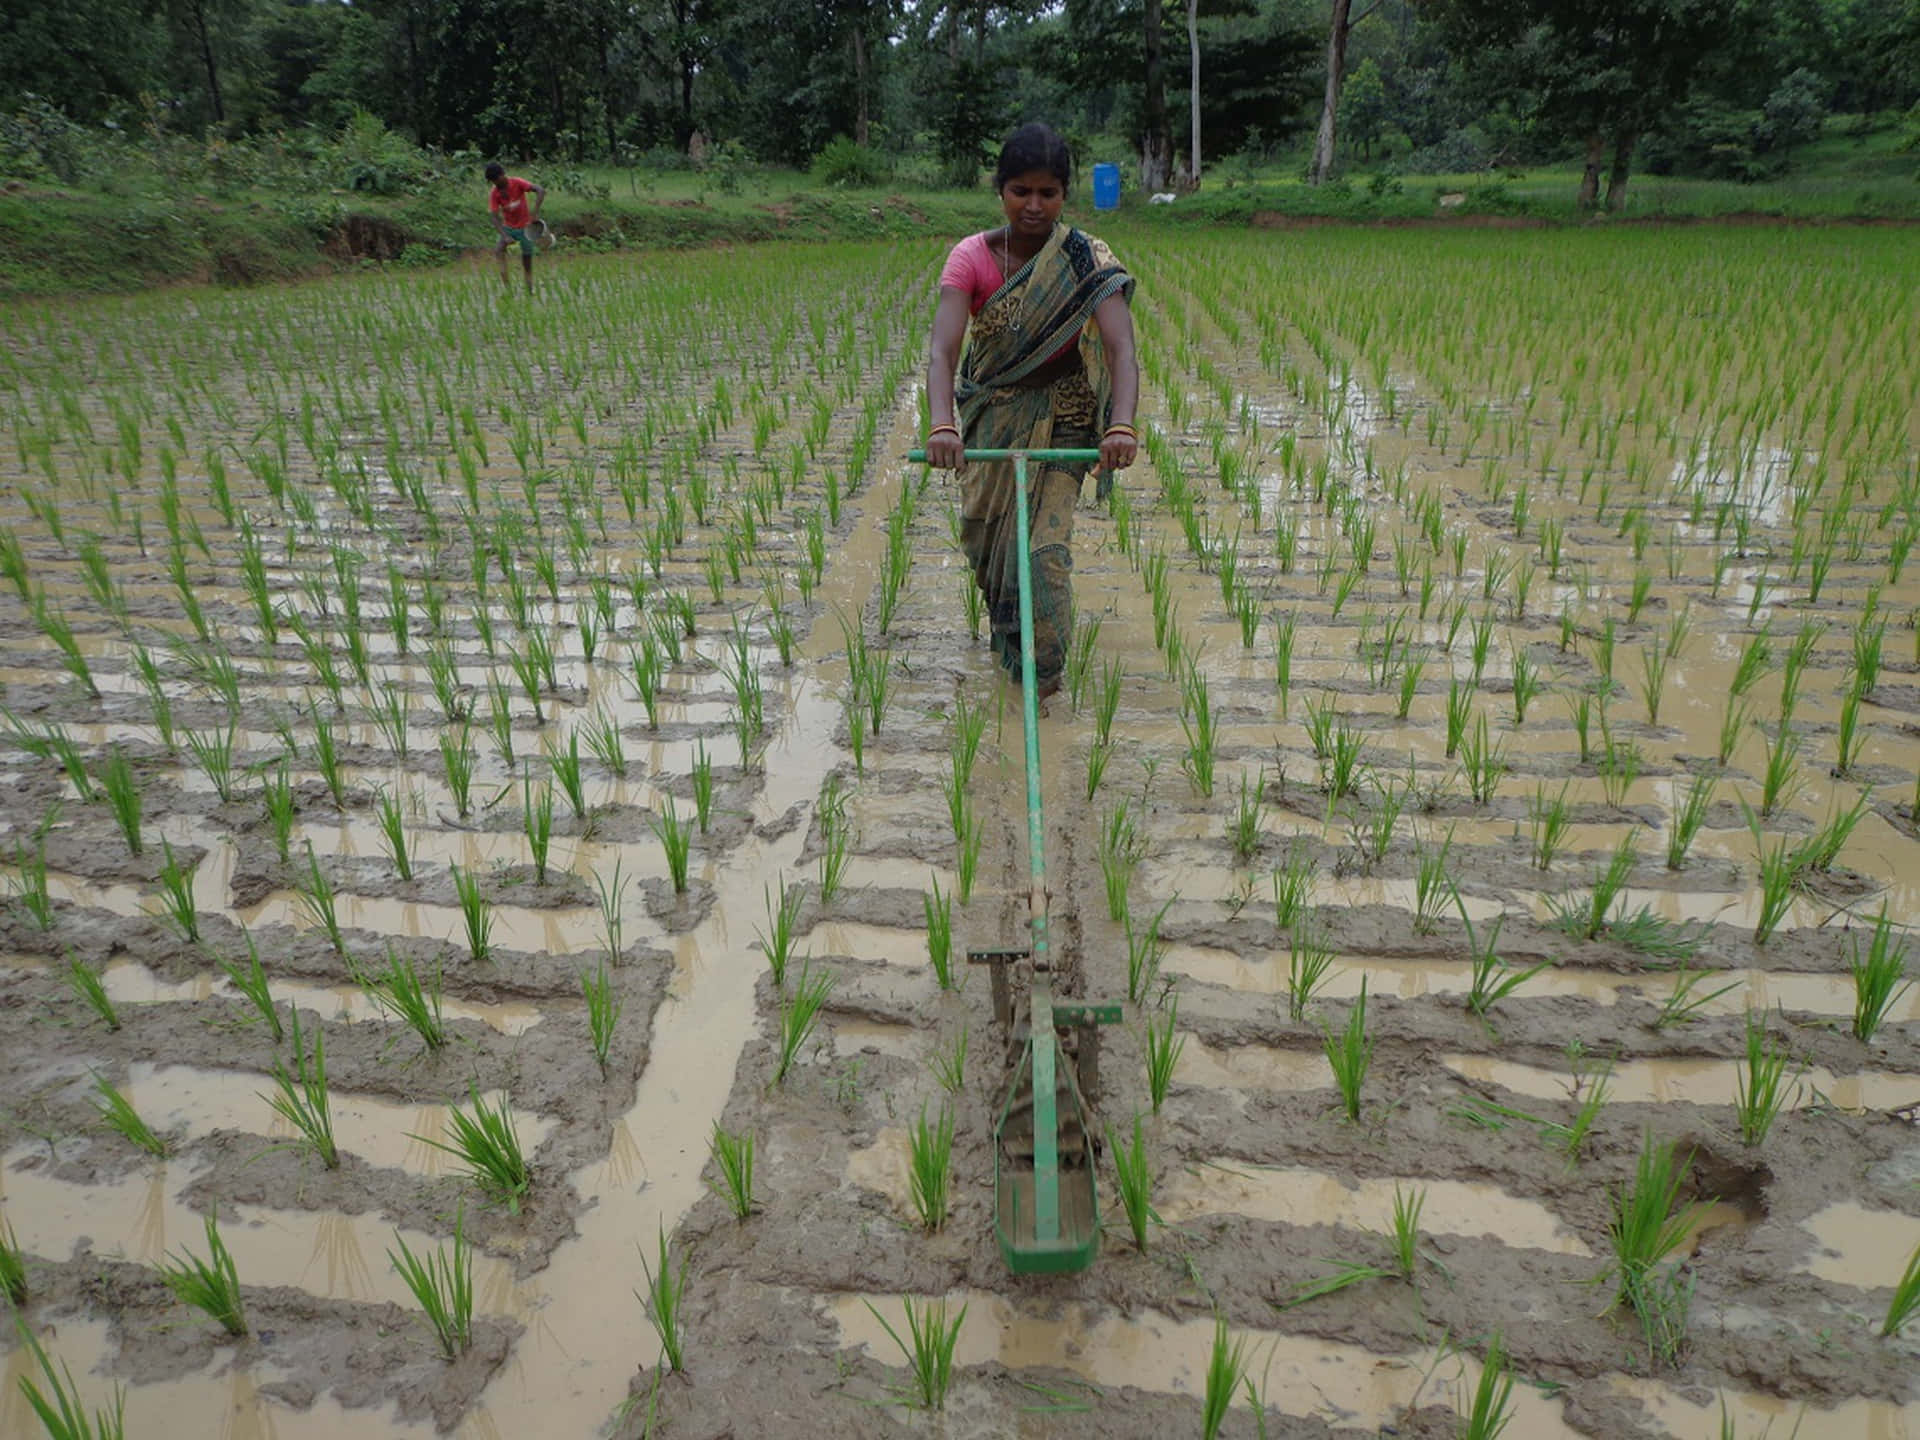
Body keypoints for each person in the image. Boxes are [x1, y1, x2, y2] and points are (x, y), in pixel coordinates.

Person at [925, 123, 1139, 701]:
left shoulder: (1086, 257)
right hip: (991, 417)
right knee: (990, 545)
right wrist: (942, 424)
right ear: (1001, 191)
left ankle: (1044, 687)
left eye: (1048, 193)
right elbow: (944, 352)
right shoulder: (971, 257)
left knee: (1043, 555)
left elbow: (1121, 350)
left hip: (1066, 416)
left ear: (1064, 194)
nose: (1034, 205)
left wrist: (1120, 423)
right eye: (1021, 191)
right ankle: (1013, 652)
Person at [484, 162, 547, 293]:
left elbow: (540, 190)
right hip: (509, 227)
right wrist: (505, 235)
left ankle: (529, 290)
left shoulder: (517, 183)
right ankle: (507, 289)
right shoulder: (495, 193)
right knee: (498, 251)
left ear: (502, 175)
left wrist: (534, 213)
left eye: (496, 180)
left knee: (527, 261)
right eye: (493, 182)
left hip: (525, 227)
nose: (496, 184)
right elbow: (494, 217)